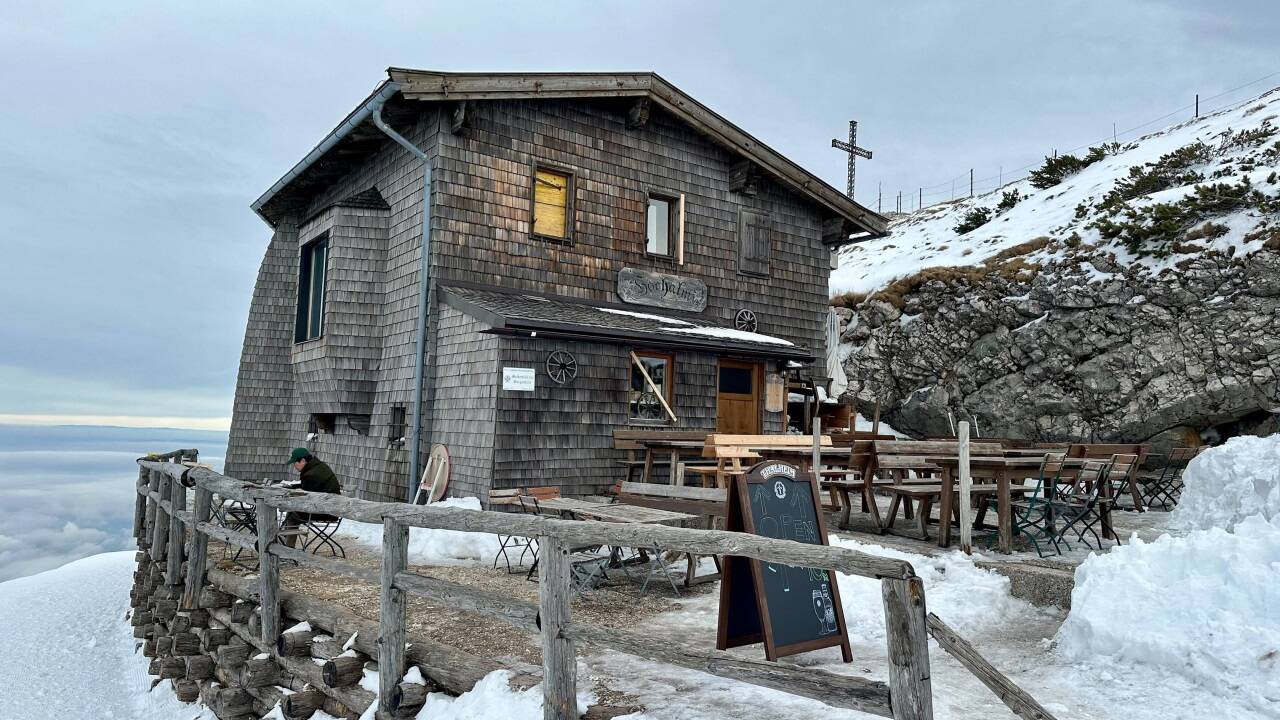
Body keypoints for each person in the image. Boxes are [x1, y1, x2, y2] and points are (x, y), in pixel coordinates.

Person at [283, 447, 342, 547]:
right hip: (332, 508)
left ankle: (288, 547)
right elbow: (311, 488)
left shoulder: (310, 474)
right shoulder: (318, 467)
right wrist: (293, 487)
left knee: (292, 514)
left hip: (326, 511)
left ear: (302, 461)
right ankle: (284, 541)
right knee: (292, 512)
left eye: (295, 463)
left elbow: (306, 497)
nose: (294, 466)